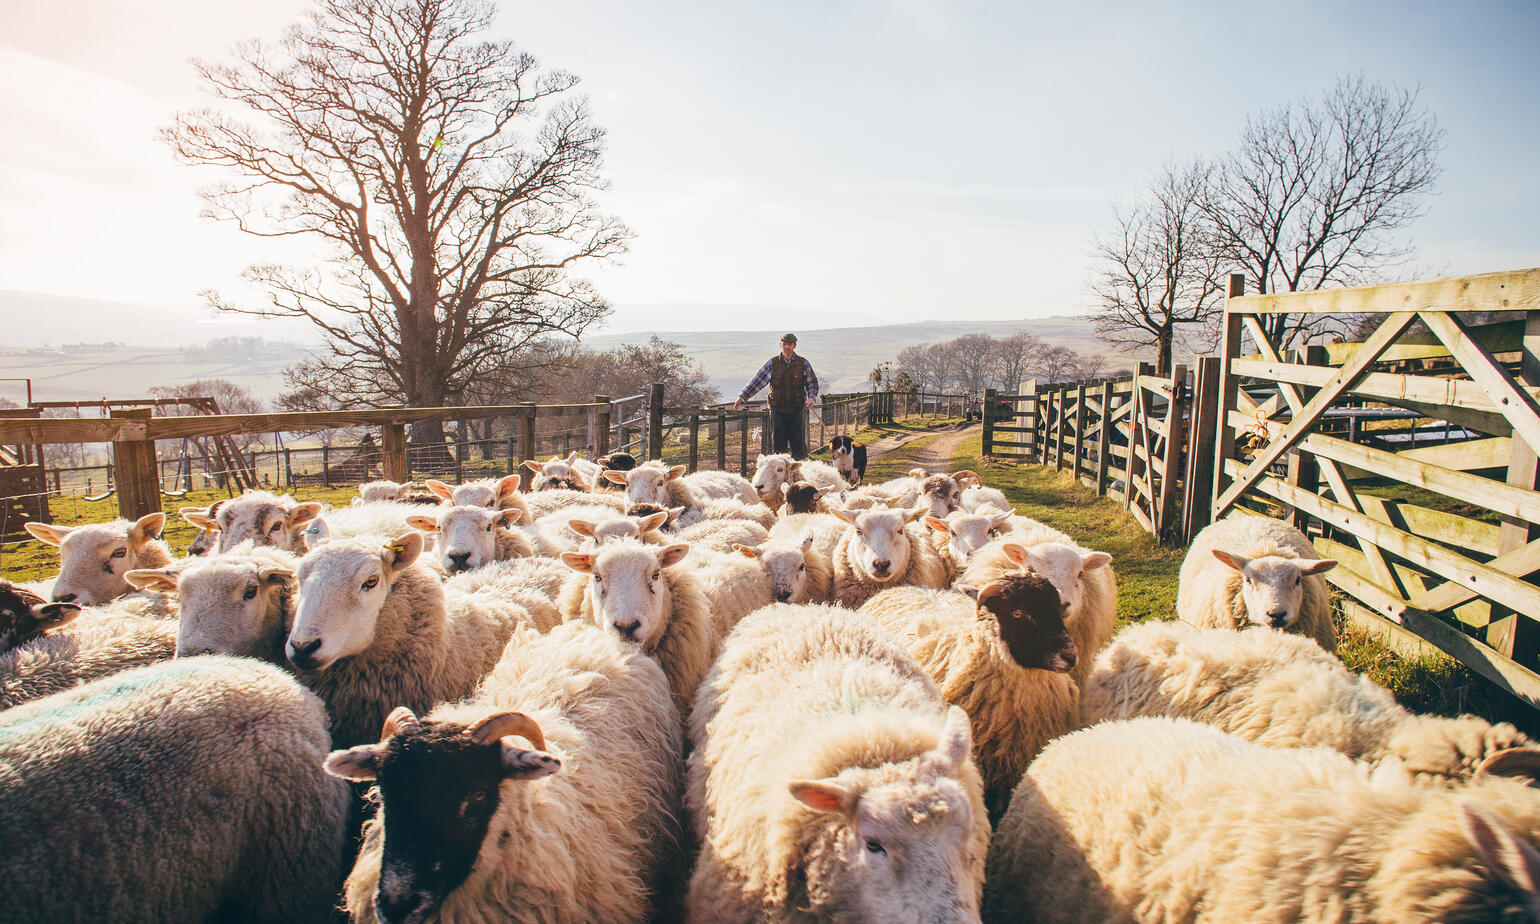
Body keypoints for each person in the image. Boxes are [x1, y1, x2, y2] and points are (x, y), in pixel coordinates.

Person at [734, 333, 819, 459]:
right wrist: (742, 396)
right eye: (784, 344)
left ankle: (799, 474)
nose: (787, 347)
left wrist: (811, 398)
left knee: (798, 446)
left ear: (794, 346)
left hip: (796, 410)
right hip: (777, 411)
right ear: (780, 345)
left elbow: (812, 384)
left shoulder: (803, 363)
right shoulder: (773, 363)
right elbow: (757, 381)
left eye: (789, 345)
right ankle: (779, 477)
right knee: (778, 448)